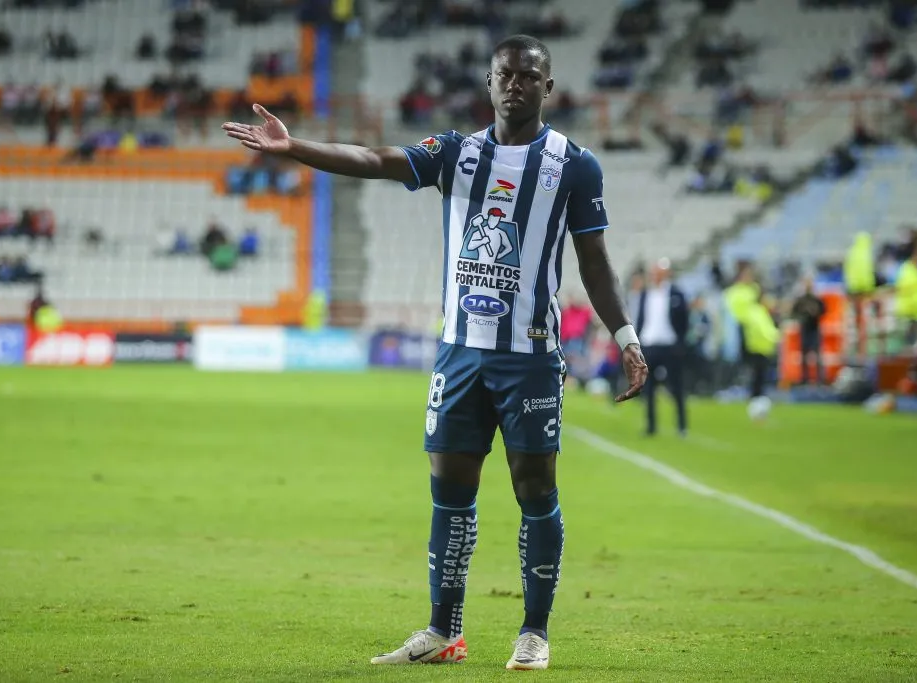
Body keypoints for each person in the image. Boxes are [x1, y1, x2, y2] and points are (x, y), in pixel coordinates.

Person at [223, 34, 648, 671]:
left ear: (549, 88)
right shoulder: (456, 153)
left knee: (535, 492)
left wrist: (626, 338)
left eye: (530, 76)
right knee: (450, 492)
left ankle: (534, 633)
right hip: (460, 357)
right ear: (488, 81)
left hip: (529, 356)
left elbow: (595, 263)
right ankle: (443, 631)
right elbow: (373, 159)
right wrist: (295, 147)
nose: (516, 85)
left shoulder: (574, 165)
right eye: (506, 74)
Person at [635, 258, 689, 436]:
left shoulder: (676, 293)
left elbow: (684, 321)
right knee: (648, 388)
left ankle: (681, 425)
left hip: (669, 345)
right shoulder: (645, 294)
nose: (656, 276)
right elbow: (642, 318)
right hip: (649, 344)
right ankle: (651, 426)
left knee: (676, 386)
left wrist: (680, 343)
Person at [791, 277, 826, 385]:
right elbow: (794, 313)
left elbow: (823, 310)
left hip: (815, 328)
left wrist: (815, 312)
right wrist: (803, 316)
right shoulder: (801, 300)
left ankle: (820, 378)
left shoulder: (816, 299)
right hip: (805, 328)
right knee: (804, 355)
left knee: (817, 355)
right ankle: (804, 378)